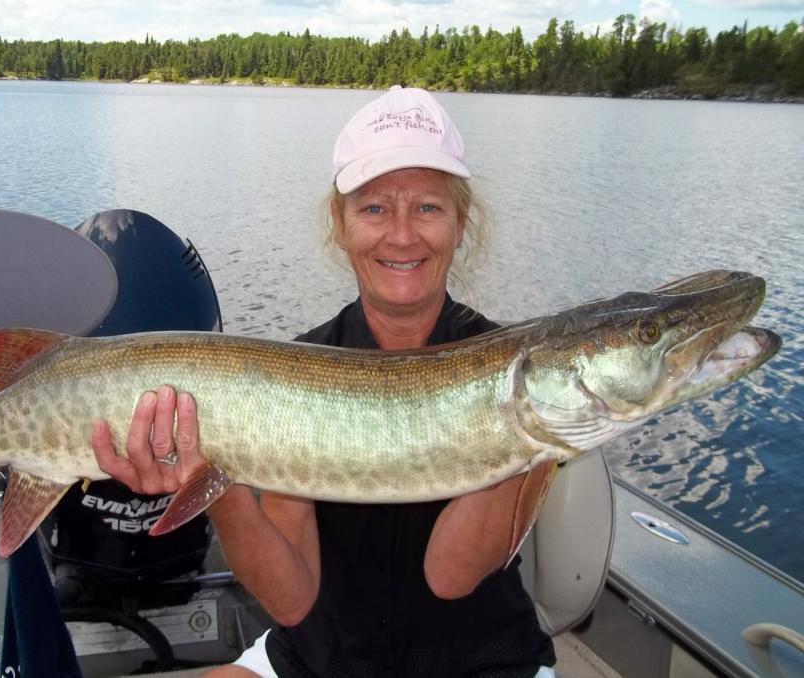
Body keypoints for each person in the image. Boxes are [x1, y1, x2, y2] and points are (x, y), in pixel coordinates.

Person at [91, 85, 556, 677]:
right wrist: (217, 481)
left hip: (482, 662)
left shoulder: (512, 371)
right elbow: (290, 600)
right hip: (319, 659)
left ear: (461, 223)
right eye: (374, 208)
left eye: (429, 208)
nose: (403, 235)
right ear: (340, 224)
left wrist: (528, 434)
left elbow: (450, 574)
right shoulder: (301, 368)